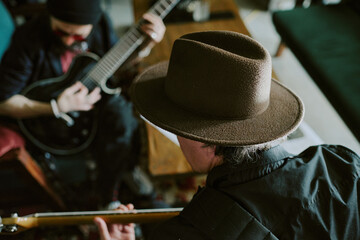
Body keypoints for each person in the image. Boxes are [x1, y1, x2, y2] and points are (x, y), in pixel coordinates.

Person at [95, 31, 360, 239]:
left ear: (204, 140)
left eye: (177, 130)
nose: (177, 139)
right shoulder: (342, 164)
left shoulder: (183, 233)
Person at [0, 0, 165, 208]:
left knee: (123, 114)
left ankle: (113, 189)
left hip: (92, 103)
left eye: (78, 36)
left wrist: (145, 47)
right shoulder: (27, 40)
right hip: (51, 122)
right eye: (62, 33)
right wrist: (55, 107)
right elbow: (3, 102)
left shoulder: (101, 23)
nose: (69, 41)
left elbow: (114, 63)